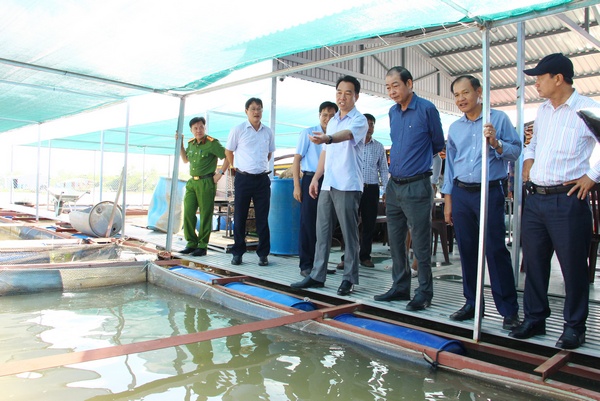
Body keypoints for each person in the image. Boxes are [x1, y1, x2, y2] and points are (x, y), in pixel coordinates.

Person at [509, 53, 600, 349]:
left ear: (558, 78)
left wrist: (592, 176)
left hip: (568, 200)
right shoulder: (544, 110)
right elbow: (534, 141)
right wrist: (530, 159)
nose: (536, 84)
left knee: (573, 268)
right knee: (534, 263)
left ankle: (575, 327)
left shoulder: (587, 109)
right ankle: (535, 318)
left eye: (540, 78)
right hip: (536, 198)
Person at [441, 75, 521, 330]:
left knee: (495, 250)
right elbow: (450, 166)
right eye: (456, 95)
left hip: (490, 191)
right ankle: (472, 303)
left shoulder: (497, 119)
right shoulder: (455, 128)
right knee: (466, 249)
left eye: (465, 93)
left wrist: (496, 143)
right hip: (462, 193)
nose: (460, 99)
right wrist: (449, 201)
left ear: (478, 92)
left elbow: (517, 150)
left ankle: (508, 310)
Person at [374, 66, 445, 311]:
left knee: (421, 243)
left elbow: (437, 144)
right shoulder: (392, 112)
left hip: (418, 184)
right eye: (388, 87)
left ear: (409, 83)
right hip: (395, 185)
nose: (392, 91)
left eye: (396, 85)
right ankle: (400, 287)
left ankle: (424, 293)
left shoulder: (427, 109)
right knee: (395, 241)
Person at [290, 75, 368, 296]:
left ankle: (349, 278)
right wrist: (315, 178)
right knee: (321, 231)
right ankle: (317, 275)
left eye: (348, 93)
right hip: (328, 183)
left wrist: (328, 138)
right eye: (339, 92)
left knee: (348, 233)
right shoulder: (333, 121)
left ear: (356, 96)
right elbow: (325, 153)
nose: (342, 97)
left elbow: (345, 136)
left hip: (348, 184)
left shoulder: (358, 120)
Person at [225, 98, 276, 267]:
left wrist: (258, 167)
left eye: (259, 109)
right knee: (240, 216)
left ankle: (263, 254)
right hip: (243, 179)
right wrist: (236, 166)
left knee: (263, 218)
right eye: (253, 109)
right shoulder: (238, 130)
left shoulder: (267, 132)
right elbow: (229, 151)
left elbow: (269, 154)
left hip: (262, 179)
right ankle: (238, 252)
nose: (257, 112)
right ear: (246, 110)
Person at [336, 113, 389, 270]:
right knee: (349, 223)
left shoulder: (378, 146)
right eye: (367, 124)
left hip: (371, 188)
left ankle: (365, 256)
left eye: (372, 124)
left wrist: (385, 190)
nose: (369, 127)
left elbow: (384, 170)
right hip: (352, 187)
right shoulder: (352, 143)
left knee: (369, 224)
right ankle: (346, 257)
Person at [292, 101, 338, 277]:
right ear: (319, 115)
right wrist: (297, 185)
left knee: (326, 224)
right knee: (309, 223)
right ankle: (306, 264)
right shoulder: (308, 133)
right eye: (325, 115)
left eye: (332, 115)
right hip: (311, 179)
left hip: (331, 181)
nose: (328, 118)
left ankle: (321, 264)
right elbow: (297, 159)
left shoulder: (337, 135)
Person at [178, 117, 230, 257]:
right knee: (188, 212)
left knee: (205, 214)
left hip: (206, 182)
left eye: (201, 127)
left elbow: (229, 156)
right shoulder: (191, 144)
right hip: (192, 182)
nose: (198, 130)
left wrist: (219, 173)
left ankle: (202, 245)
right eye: (195, 128)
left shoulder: (212, 143)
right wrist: (181, 144)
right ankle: (191, 243)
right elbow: (184, 159)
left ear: (205, 128)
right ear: (191, 130)